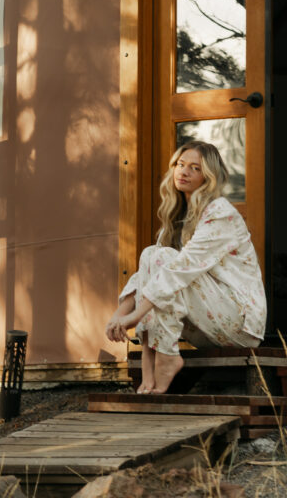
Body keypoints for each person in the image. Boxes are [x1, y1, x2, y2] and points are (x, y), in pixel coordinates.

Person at [105, 139, 266, 394]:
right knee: (152, 254)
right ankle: (150, 358)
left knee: (165, 262)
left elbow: (181, 269)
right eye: (181, 164)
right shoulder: (178, 215)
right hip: (203, 322)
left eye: (195, 168)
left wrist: (134, 317)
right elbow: (145, 275)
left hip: (238, 324)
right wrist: (118, 315)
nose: (184, 171)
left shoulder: (220, 212)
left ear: (209, 177)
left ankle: (167, 355)